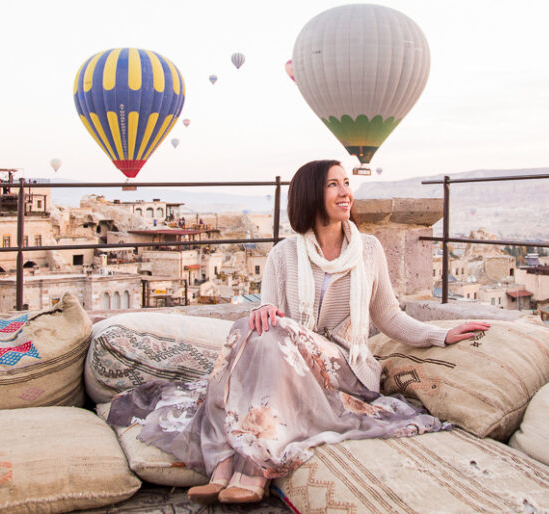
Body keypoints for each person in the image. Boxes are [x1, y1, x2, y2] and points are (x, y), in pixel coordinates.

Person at [107, 159, 489, 505]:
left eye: (346, 183)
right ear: (311, 195)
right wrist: (263, 311)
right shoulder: (283, 254)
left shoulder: (369, 250)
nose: (346, 192)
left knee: (277, 333)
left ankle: (244, 467)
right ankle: (229, 463)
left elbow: (388, 315)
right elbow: (267, 320)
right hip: (292, 365)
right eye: (334, 185)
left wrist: (440, 334)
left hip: (345, 369)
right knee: (254, 327)